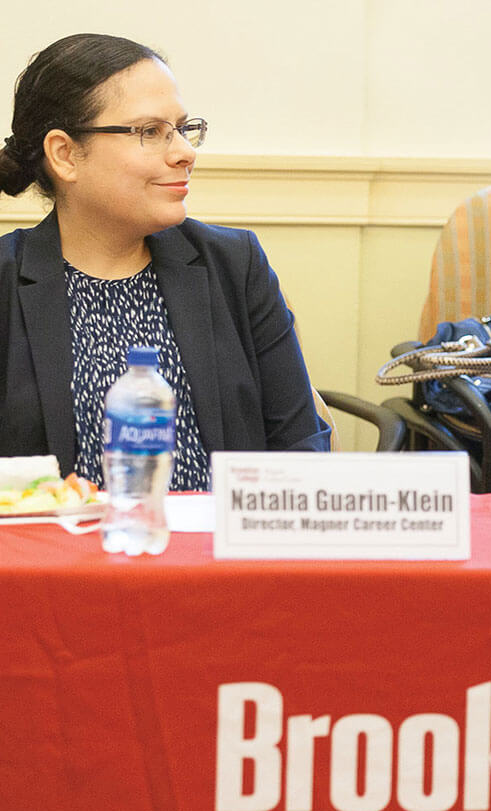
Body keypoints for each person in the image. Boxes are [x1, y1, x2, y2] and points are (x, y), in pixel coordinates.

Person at [0, 33, 329, 490]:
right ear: (65, 154)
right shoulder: (5, 280)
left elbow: (302, 448)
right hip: (55, 557)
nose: (185, 152)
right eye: (149, 132)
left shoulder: (235, 264)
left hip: (221, 555)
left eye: (182, 128)